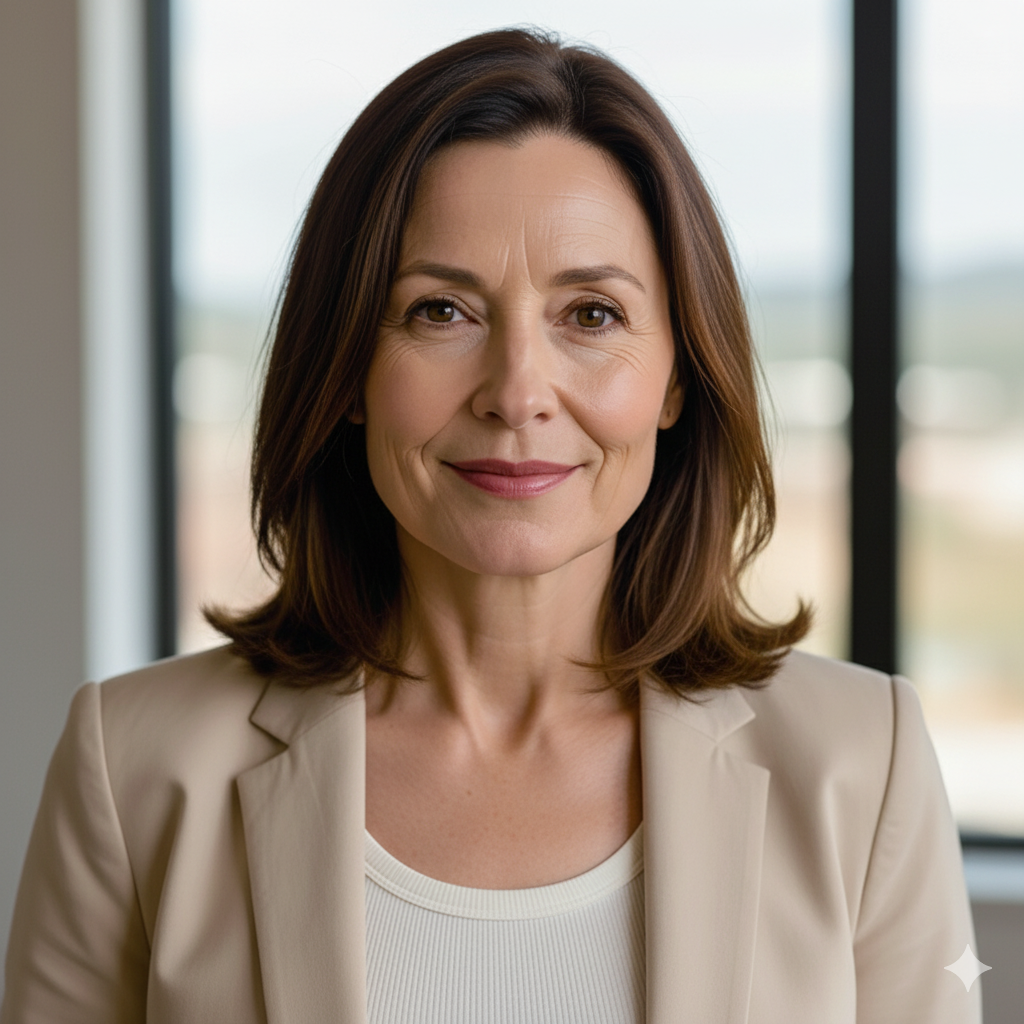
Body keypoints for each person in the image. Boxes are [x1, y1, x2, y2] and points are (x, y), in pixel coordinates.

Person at [2, 28, 980, 1024]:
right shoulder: (136, 766)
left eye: (590, 314)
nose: (517, 393)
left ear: (678, 374)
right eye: (439, 311)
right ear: (345, 370)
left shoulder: (864, 763)